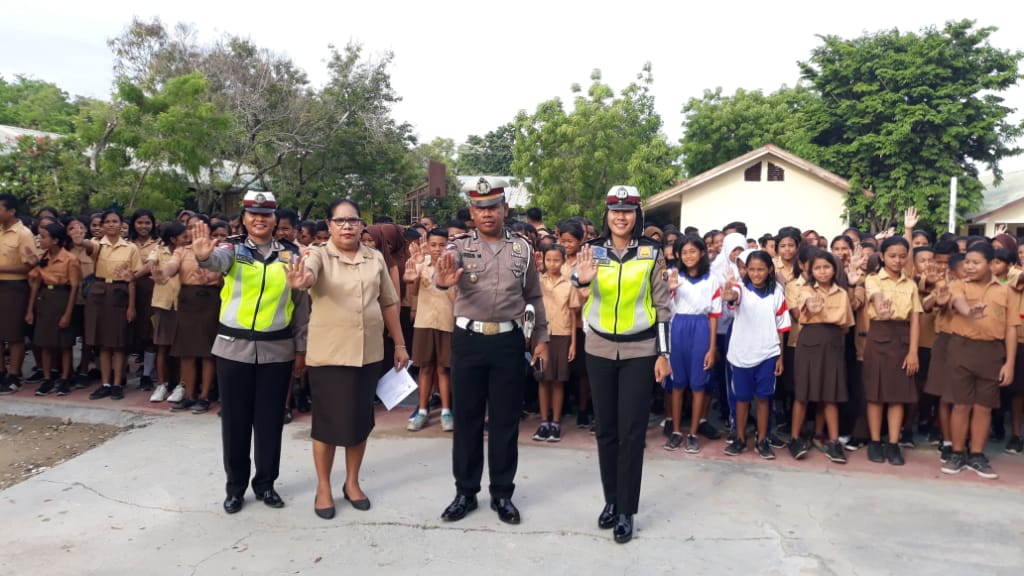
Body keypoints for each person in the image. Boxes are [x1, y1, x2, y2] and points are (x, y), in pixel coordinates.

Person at [434, 177, 549, 526]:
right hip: (469, 341)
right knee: (467, 420)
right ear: (472, 212)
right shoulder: (457, 247)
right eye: (480, 208)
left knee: (504, 422)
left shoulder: (523, 250)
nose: (487, 213)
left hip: (508, 342)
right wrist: (443, 281)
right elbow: (442, 277)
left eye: (493, 207)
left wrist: (539, 338)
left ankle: (502, 493)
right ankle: (465, 492)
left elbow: (533, 298)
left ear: (504, 209)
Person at [285, 198, 409, 519]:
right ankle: (323, 486)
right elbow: (309, 275)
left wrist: (399, 344)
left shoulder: (375, 258)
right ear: (329, 225)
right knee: (327, 423)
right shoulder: (318, 254)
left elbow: (389, 303)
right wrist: (302, 281)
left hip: (368, 353)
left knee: (359, 420)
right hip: (330, 354)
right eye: (339, 221)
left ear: (361, 224)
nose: (347, 227)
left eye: (352, 221)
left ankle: (352, 482)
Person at [194, 191, 309, 514]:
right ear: (243, 219)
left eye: (267, 215)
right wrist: (203, 257)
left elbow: (300, 307)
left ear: (275, 220)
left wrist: (301, 349)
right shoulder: (232, 248)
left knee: (271, 421)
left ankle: (266, 484)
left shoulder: (291, 255)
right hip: (233, 349)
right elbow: (215, 262)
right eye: (253, 214)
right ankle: (235, 488)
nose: (260, 219)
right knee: (235, 421)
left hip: (277, 350)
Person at [572, 185, 671, 544]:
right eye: (615, 210)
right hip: (598, 347)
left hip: (640, 350)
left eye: (628, 211)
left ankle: (627, 509)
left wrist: (664, 354)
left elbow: (662, 307)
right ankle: (610, 501)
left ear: (637, 214)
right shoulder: (591, 251)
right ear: (607, 213)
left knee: (631, 434)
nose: (621, 216)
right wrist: (581, 282)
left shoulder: (652, 252)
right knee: (606, 431)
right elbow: (577, 291)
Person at [941, 243, 1019, 479]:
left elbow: (1011, 329)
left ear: (991, 263)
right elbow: (958, 302)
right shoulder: (957, 284)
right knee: (961, 405)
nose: (970, 267)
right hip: (961, 348)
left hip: (992, 352)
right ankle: (956, 452)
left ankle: (976, 454)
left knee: (983, 407)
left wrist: (1010, 363)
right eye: (967, 262)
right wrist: (969, 312)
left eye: (976, 262)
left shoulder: (1006, 291)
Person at [721, 251, 791, 459]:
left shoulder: (777, 292)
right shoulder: (740, 288)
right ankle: (740, 439)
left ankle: (762, 440)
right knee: (741, 399)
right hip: (741, 354)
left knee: (764, 399)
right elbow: (731, 297)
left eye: (760, 269)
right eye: (751, 269)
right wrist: (728, 290)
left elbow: (782, 327)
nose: (756, 273)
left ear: (770, 269)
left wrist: (780, 356)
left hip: (768, 353)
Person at [788, 251, 855, 463]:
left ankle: (834, 442)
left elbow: (846, 326)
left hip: (834, 343)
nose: (822, 272)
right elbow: (804, 305)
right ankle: (795, 438)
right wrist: (811, 306)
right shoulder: (805, 290)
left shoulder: (842, 293)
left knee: (830, 394)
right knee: (803, 393)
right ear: (810, 271)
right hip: (809, 342)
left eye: (826, 267)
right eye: (817, 268)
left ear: (834, 269)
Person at [152, 217, 223, 415]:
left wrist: (212, 278)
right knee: (187, 352)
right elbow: (172, 266)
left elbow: (223, 275)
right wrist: (164, 274)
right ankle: (189, 395)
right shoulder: (182, 250)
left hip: (209, 300)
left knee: (207, 352)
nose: (194, 230)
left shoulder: (218, 249)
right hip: (187, 301)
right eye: (190, 227)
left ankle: (204, 396)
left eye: (199, 227)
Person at [863, 236, 921, 466]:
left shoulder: (911, 285)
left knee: (898, 397)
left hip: (903, 340)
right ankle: (875, 441)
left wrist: (914, 351)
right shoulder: (873, 279)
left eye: (902, 256)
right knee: (875, 395)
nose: (897, 260)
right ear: (882, 257)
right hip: (878, 337)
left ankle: (894, 443)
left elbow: (915, 320)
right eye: (892, 256)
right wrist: (881, 308)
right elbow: (876, 297)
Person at [664, 235, 721, 454]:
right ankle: (677, 431)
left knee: (698, 385)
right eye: (683, 252)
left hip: (701, 329)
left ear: (702, 253)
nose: (688, 256)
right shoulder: (672, 275)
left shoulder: (712, 280)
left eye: (693, 251)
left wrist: (711, 348)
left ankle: (694, 433)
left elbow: (715, 316)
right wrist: (670, 288)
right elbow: (662, 303)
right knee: (677, 383)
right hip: (677, 328)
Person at [81, 210, 143, 401]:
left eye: (114, 221)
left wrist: (131, 306)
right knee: (102, 344)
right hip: (100, 293)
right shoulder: (97, 244)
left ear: (121, 224)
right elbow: (86, 246)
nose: (110, 225)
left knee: (119, 344)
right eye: (106, 222)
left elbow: (133, 278)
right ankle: (105, 383)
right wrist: (79, 238)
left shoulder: (130, 248)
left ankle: (118, 383)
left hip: (121, 293)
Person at [404, 229, 456, 432]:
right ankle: (423, 410)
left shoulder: (453, 266)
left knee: (444, 369)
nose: (437, 249)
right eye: (433, 245)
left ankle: (446, 411)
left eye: (441, 245)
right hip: (424, 323)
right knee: (425, 368)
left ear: (448, 245)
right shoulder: (420, 265)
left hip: (447, 323)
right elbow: (413, 292)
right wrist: (413, 276)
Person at [24, 224, 81, 396]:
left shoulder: (70, 259)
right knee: (45, 342)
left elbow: (75, 287)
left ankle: (65, 378)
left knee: (64, 344)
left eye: (44, 236)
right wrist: (30, 310)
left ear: (55, 240)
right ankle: (47, 378)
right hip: (45, 300)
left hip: (62, 298)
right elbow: (35, 284)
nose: (40, 240)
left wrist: (68, 313)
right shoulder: (43, 258)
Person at [533, 244, 579, 443]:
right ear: (543, 260)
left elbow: (572, 313)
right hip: (541, 336)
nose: (552, 264)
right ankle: (544, 422)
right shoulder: (537, 282)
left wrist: (573, 344)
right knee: (543, 379)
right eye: (548, 260)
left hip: (562, 335)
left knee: (559, 380)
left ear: (563, 261)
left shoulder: (569, 284)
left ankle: (556, 422)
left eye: (556, 260)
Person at [0, 194, 37, 394]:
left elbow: (29, 265)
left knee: (14, 335)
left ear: (11, 211)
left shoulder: (23, 233)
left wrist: (2, 269)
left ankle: (14, 375)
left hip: (14, 288)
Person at [146, 222, 187, 403]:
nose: (188, 239)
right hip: (162, 304)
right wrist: (153, 271)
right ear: (173, 239)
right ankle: (162, 384)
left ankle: (181, 385)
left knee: (182, 349)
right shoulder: (158, 250)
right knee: (162, 347)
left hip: (183, 305)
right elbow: (150, 263)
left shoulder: (189, 253)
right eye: (184, 237)